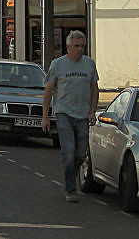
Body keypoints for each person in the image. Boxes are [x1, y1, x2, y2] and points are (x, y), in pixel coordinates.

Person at [41, 30, 99, 203]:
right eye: (76, 46)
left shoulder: (89, 64)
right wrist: (45, 116)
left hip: (83, 115)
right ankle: (70, 189)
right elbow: (49, 90)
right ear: (68, 47)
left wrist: (92, 111)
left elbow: (94, 89)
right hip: (63, 113)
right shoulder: (58, 65)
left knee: (81, 154)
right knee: (69, 151)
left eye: (82, 46)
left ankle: (70, 174)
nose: (80, 49)